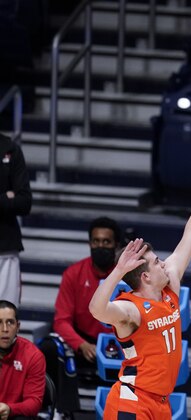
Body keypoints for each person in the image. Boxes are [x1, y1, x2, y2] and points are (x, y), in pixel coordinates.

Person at [88, 147, 191, 419]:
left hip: (160, 402)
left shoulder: (169, 288)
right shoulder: (129, 310)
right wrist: (117, 272)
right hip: (132, 401)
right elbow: (96, 309)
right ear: (144, 276)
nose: (164, 264)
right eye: (156, 263)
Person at [38, 217, 122, 415]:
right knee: (50, 346)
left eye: (106, 242)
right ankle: (62, 410)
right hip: (85, 343)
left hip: (119, 344)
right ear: (89, 243)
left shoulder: (127, 275)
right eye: (96, 241)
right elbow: (61, 321)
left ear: (116, 245)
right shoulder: (73, 274)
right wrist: (81, 345)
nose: (100, 246)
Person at [0, 133, 32, 305]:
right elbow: (14, 200)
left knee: (6, 317)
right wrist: (5, 197)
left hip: (5, 249)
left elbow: (25, 202)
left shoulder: (10, 149)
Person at [0, 300, 46, 419]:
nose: (5, 329)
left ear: (18, 327)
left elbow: (34, 403)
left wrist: (10, 409)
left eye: (10, 322)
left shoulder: (33, 356)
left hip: (14, 415)